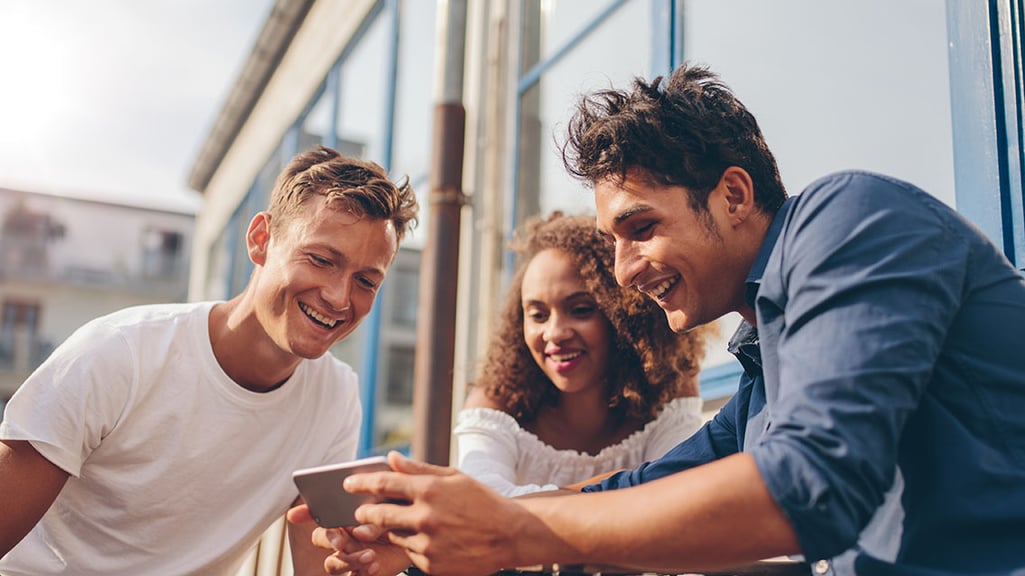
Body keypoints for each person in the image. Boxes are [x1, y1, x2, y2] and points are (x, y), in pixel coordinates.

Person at [291, 62, 1025, 576]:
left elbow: (808, 487)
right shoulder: (764, 366)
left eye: (640, 228)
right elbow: (635, 493)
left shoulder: (852, 217)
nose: (624, 269)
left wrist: (508, 533)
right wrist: (433, 536)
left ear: (733, 195)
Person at [0, 145, 418, 575]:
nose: (339, 297)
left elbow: (321, 566)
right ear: (261, 240)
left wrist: (374, 564)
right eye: (320, 260)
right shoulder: (120, 353)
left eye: (366, 281)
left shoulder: (336, 396)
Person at [455, 211, 708, 497]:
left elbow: (673, 498)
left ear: (624, 316)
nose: (555, 333)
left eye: (580, 310)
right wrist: (628, 495)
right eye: (538, 315)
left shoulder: (671, 393)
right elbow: (480, 503)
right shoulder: (496, 404)